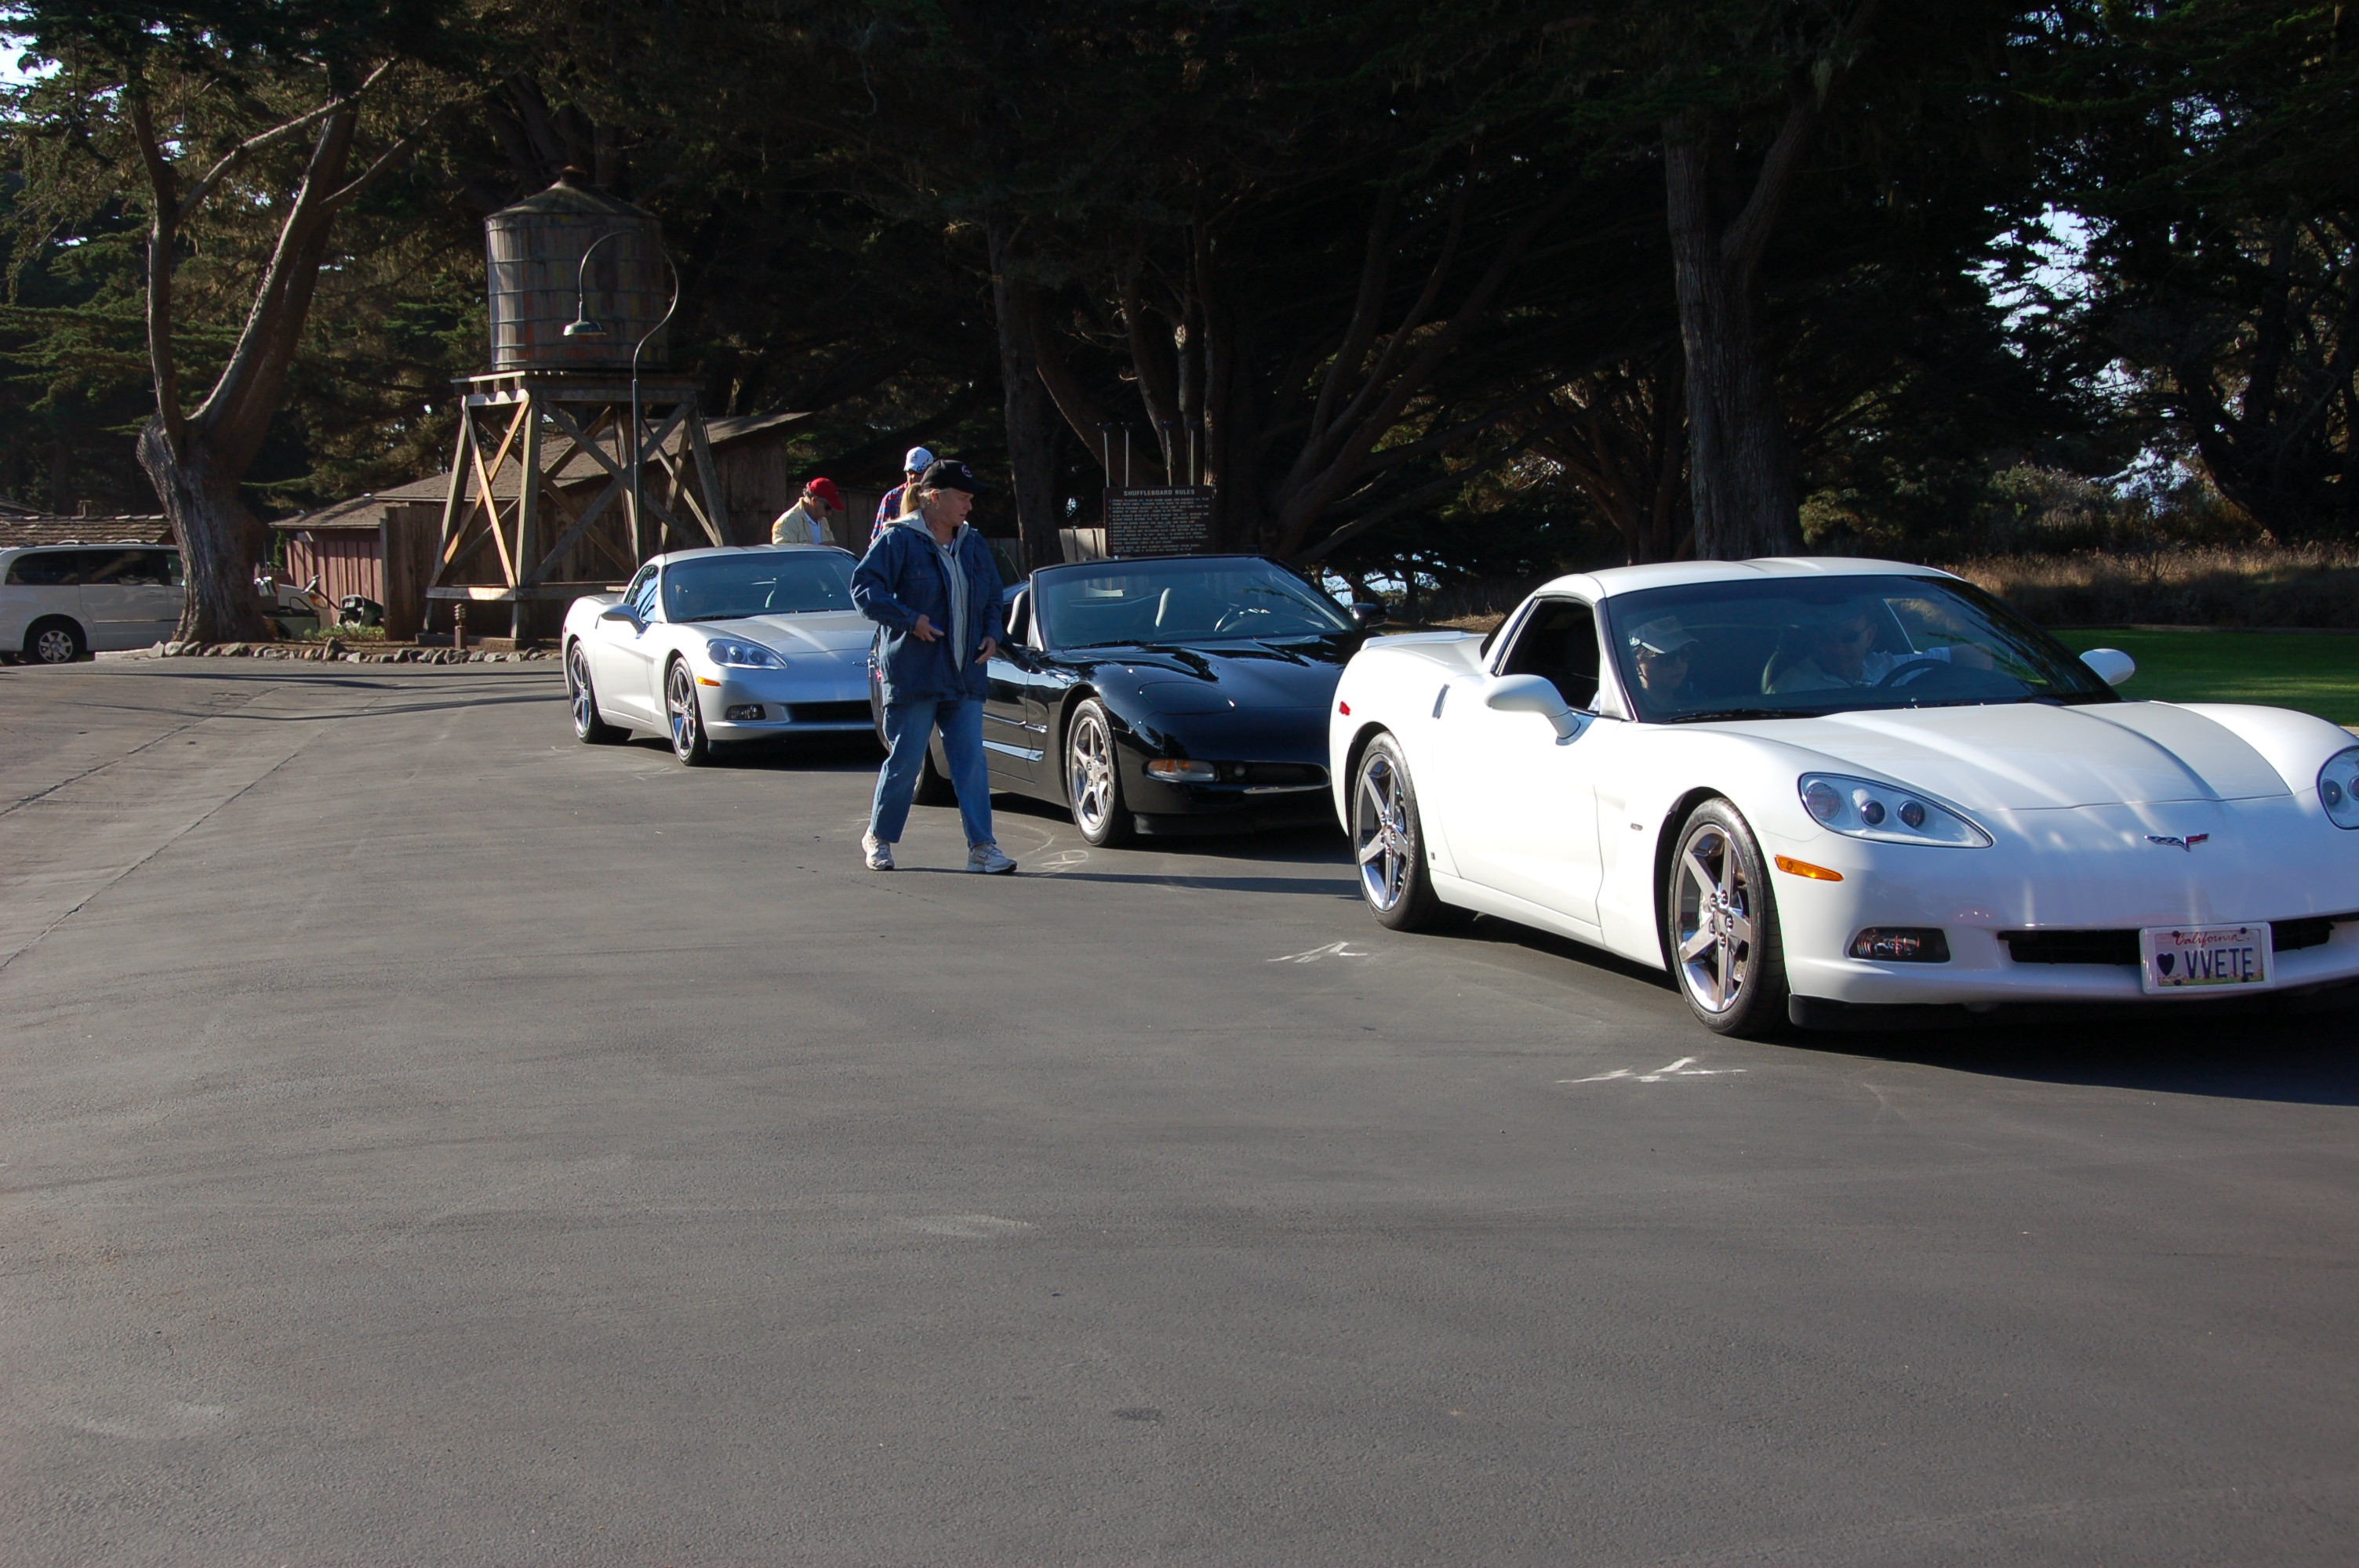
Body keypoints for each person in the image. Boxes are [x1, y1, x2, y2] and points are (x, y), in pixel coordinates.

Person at [851, 458, 1015, 874]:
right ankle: (879, 838)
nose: (969, 506)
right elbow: (864, 589)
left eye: (970, 498)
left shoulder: (973, 543)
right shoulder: (898, 540)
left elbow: (994, 597)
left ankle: (983, 848)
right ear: (934, 497)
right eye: (962, 497)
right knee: (906, 760)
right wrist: (911, 620)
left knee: (971, 763)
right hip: (914, 674)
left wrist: (993, 634)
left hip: (965, 675)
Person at [1765, 601, 1994, 694]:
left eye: (1848, 638)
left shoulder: (1888, 666)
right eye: (1826, 639)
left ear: (1870, 636)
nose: (1836, 648)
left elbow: (1977, 653)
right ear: (1813, 641)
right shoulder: (1790, 687)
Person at [1626, 616, 1701, 706]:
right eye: (1667, 658)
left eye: (1684, 654)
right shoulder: (1626, 704)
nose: (1679, 664)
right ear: (1636, 664)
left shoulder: (1696, 695)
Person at [869, 446, 935, 550]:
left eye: (919, 473)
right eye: (910, 472)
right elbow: (878, 537)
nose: (913, 477)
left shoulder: (936, 498)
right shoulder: (892, 497)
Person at [770, 477, 843, 546]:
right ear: (814, 500)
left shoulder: (823, 521)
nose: (829, 513)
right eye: (828, 508)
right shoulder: (787, 523)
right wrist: (819, 550)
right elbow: (785, 557)